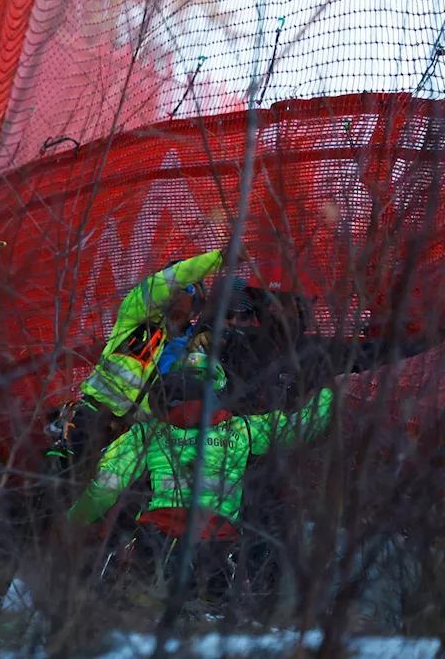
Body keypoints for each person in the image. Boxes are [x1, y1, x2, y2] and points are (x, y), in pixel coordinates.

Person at [67, 351, 334, 605]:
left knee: (144, 617)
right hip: (217, 548)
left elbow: (103, 490)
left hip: (156, 544)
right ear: (219, 388)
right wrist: (330, 391)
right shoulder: (242, 430)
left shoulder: (146, 434)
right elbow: (304, 427)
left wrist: (69, 524)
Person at [47, 246, 233, 472]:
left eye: (189, 291)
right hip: (94, 416)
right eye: (178, 287)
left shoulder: (191, 345)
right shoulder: (135, 314)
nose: (178, 295)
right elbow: (168, 281)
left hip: (135, 438)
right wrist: (219, 258)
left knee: (102, 498)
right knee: (56, 477)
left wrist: (193, 356)